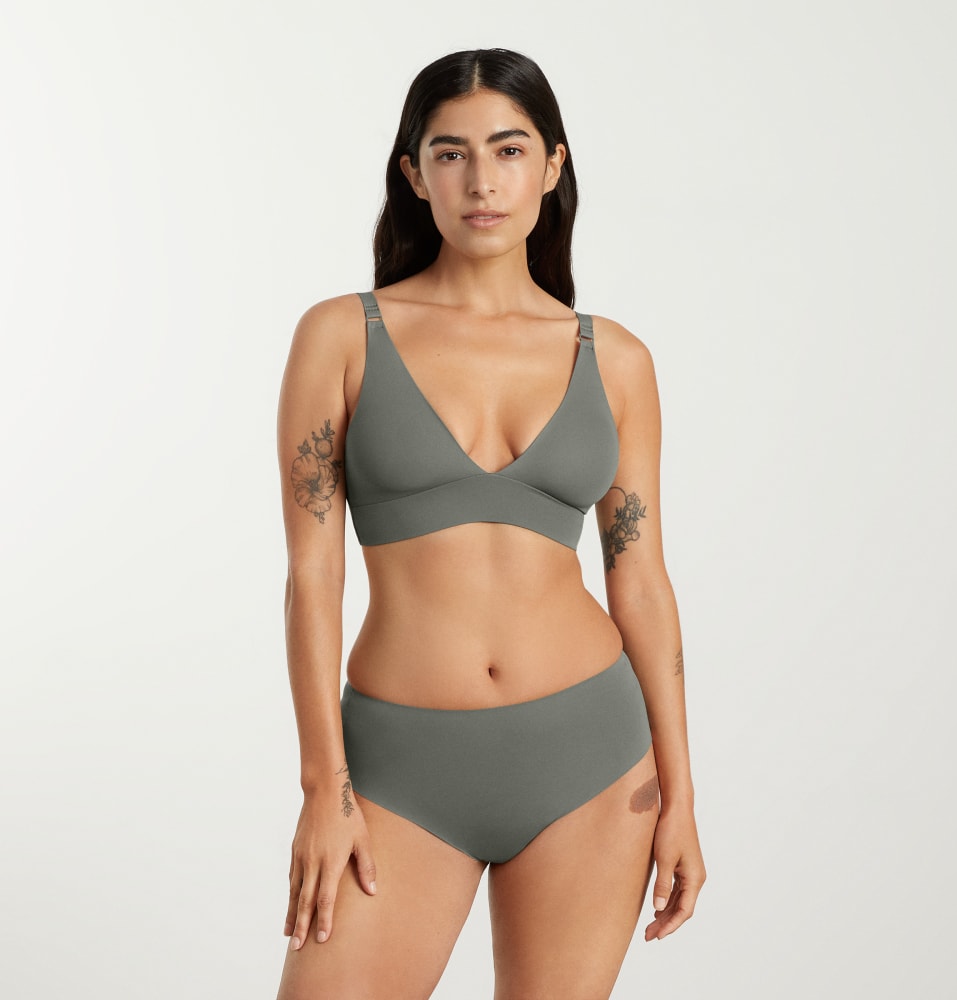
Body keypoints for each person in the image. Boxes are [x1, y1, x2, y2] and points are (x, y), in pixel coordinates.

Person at [273, 48, 706, 1000]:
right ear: (413, 172)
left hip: (593, 762)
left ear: (552, 167)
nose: (481, 180)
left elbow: (641, 581)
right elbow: (313, 576)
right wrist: (323, 787)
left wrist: (681, 793)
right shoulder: (342, 337)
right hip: (398, 768)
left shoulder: (615, 359)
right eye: (451, 153)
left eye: (509, 150)